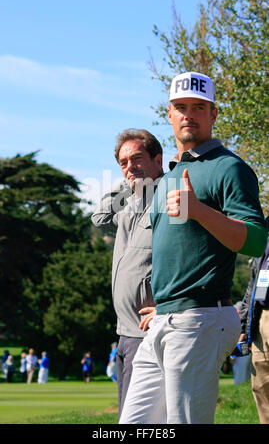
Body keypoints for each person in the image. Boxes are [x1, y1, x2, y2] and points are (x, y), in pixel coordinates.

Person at [119, 71, 267, 424]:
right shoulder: (168, 176)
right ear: (169, 114)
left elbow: (256, 239)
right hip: (165, 320)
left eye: (199, 107)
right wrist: (166, 302)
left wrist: (199, 211)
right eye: (180, 107)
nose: (189, 114)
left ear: (213, 114)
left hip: (200, 319)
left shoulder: (229, 169)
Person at [92, 128, 163, 417]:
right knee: (127, 415)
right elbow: (99, 218)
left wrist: (167, 304)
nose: (129, 166)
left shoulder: (170, 202)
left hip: (147, 332)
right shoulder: (129, 205)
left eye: (137, 158)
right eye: (123, 162)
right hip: (124, 332)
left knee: (140, 419)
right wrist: (129, 182)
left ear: (158, 161)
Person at [239, 229, 269, 423]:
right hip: (261, 316)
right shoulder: (263, 230)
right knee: (261, 384)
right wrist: (244, 325)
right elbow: (253, 282)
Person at [230, 302, 251, 385]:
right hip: (245, 345)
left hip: (242, 345)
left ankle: (240, 387)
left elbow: (241, 336)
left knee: (240, 369)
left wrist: (233, 355)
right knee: (245, 370)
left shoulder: (240, 321)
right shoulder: (246, 318)